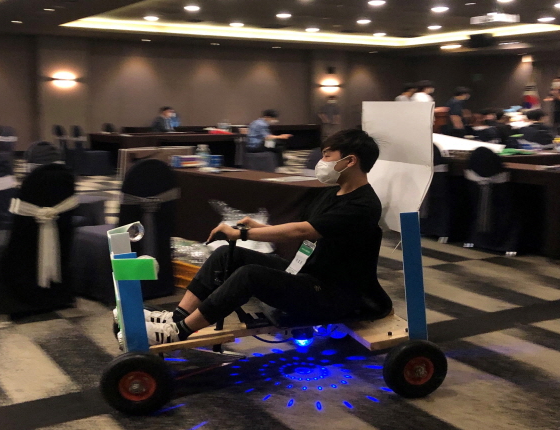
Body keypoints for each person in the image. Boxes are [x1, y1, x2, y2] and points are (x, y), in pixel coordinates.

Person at [144, 128, 393, 344]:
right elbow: (302, 224)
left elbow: (303, 231)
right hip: (307, 273)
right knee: (225, 255)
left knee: (249, 275)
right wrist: (257, 226)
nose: (322, 161)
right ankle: (177, 316)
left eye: (327, 155)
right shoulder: (331, 193)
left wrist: (243, 233)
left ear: (350, 161)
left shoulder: (363, 204)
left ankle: (179, 331)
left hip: (332, 294)